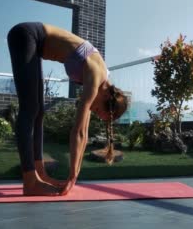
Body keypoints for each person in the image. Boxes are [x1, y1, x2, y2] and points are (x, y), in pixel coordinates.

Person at [7, 22, 128, 196]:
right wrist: (72, 175)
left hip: (35, 45)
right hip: (27, 35)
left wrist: (75, 174)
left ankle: (40, 174)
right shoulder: (96, 76)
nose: (93, 110)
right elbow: (77, 132)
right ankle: (30, 181)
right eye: (97, 110)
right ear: (108, 98)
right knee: (30, 108)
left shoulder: (101, 80)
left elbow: (84, 134)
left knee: (38, 111)